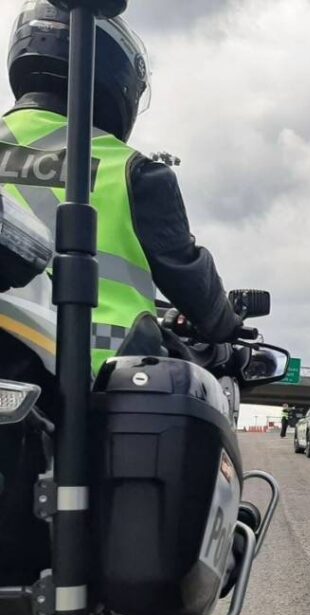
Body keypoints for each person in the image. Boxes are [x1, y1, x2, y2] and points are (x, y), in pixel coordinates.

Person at [1, 0, 241, 375]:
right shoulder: (133, 170)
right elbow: (191, 280)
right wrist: (226, 325)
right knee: (180, 395)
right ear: (117, 73)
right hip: (93, 372)